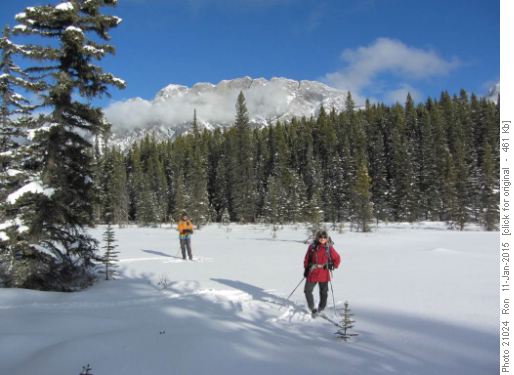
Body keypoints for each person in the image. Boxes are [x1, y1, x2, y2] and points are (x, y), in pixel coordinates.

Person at [303, 230, 341, 316]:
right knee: (307, 290)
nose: (322, 239)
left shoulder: (329, 248)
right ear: (317, 237)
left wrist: (333, 265)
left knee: (323, 292)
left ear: (326, 238)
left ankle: (321, 308)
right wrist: (306, 269)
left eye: (324, 237)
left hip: (324, 272)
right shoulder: (312, 247)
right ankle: (312, 308)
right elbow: (307, 259)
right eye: (320, 237)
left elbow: (337, 258)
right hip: (313, 271)